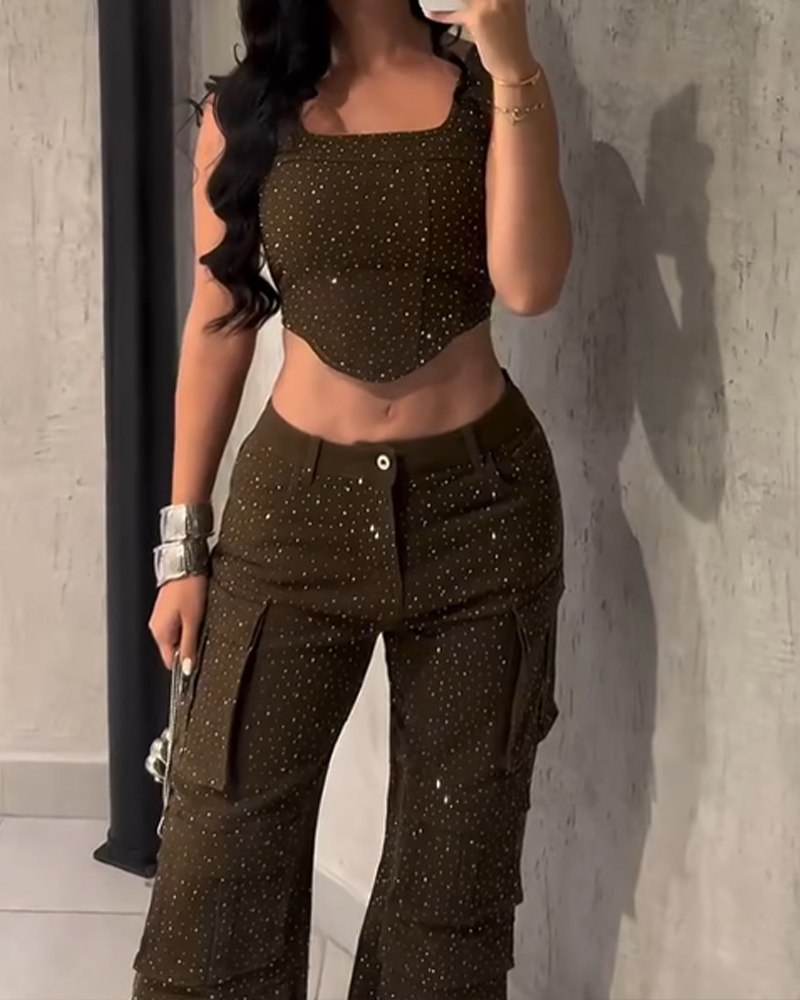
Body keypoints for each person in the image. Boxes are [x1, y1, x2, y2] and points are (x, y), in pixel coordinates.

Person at [132, 0, 572, 996]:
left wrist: (513, 63)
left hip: (482, 518)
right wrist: (182, 549)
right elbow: (218, 320)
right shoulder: (248, 108)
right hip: (292, 516)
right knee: (221, 856)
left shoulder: (486, 91)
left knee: (450, 881)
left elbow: (529, 284)